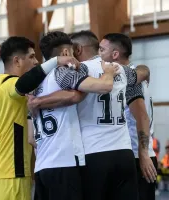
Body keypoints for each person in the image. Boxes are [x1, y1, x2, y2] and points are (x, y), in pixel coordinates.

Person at [28, 30, 151, 200]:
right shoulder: (118, 69)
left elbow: (71, 96)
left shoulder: (77, 70)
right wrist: (146, 71)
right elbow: (140, 73)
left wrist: (38, 102)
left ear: (77, 49)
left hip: (93, 153)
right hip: (124, 153)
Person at [0, 36, 78, 200]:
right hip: (12, 172)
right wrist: (55, 61)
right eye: (32, 57)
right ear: (17, 61)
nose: (35, 62)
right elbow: (24, 84)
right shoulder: (10, 85)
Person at [99, 33, 157, 200]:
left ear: (115, 54)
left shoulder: (129, 79)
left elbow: (142, 117)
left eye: (102, 50)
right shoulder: (133, 74)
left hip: (138, 156)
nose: (99, 54)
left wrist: (143, 154)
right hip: (138, 154)